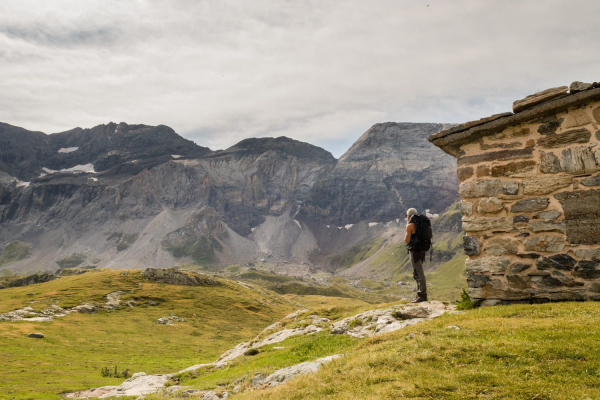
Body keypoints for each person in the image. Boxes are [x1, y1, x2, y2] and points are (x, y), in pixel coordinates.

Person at [404, 208, 428, 303]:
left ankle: (422, 295)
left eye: (407, 216)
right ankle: (419, 294)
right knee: (419, 272)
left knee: (419, 272)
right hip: (422, 250)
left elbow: (406, 240)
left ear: (409, 216)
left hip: (415, 251)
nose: (407, 217)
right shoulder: (422, 224)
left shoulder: (410, 225)